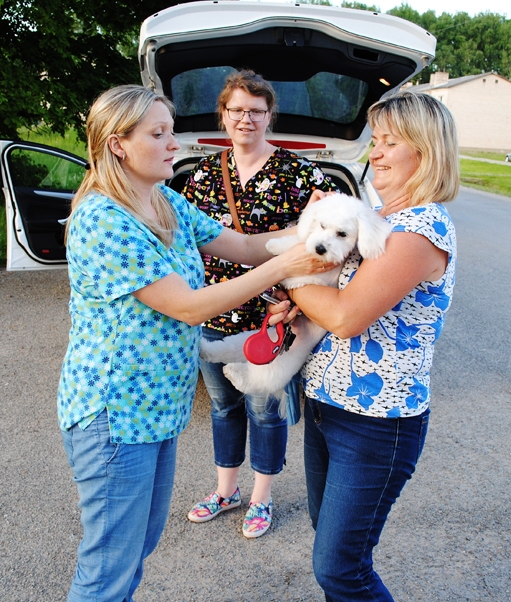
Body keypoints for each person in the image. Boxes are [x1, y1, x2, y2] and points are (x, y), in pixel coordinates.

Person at [57, 84, 333, 602]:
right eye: (158, 134)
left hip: (155, 410)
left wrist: (316, 226)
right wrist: (287, 267)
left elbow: (247, 247)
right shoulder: (102, 219)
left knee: (137, 547)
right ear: (118, 144)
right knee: (108, 566)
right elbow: (188, 305)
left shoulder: (166, 204)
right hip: (114, 415)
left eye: (171, 132)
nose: (173, 144)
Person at [286, 91, 459, 600]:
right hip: (326, 406)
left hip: (376, 425)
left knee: (341, 569)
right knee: (331, 545)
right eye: (374, 141)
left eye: (389, 143)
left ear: (425, 152)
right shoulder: (373, 218)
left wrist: (289, 282)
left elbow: (344, 316)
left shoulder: (422, 228)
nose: (374, 153)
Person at [180, 70, 337, 538]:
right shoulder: (204, 174)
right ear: (223, 116)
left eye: (255, 110)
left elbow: (321, 243)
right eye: (237, 110)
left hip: (271, 316)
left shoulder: (300, 172)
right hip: (213, 311)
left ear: (270, 115)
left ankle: (260, 498)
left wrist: (294, 297)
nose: (245, 118)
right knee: (224, 406)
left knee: (264, 407)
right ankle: (225, 490)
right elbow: (187, 244)